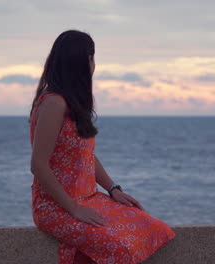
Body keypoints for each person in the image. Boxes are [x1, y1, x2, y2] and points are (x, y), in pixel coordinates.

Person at [29, 29, 176, 264]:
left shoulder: (74, 102)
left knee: (152, 227)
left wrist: (113, 189)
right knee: (119, 246)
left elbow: (86, 156)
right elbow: (38, 165)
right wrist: (74, 209)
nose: (94, 64)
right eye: (92, 57)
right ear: (83, 61)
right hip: (55, 207)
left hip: (90, 197)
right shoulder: (53, 103)